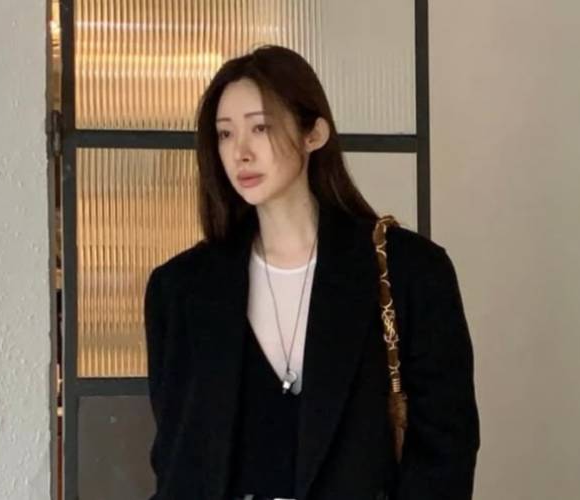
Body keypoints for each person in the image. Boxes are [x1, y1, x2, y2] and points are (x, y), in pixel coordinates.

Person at [144, 44, 480, 500]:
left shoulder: (411, 271)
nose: (240, 152)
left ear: (314, 134)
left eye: (260, 127)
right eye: (224, 134)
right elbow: (177, 459)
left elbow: (445, 450)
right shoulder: (180, 289)